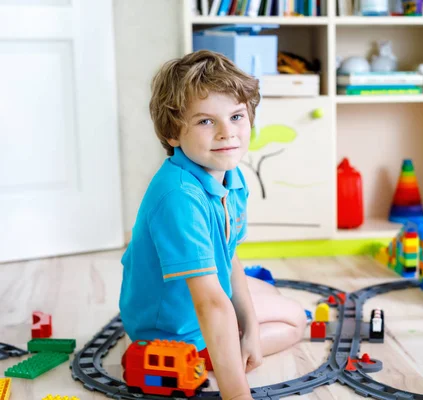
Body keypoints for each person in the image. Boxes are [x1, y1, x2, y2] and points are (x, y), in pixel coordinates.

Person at [118, 50, 307, 400]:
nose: (227, 133)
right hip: (171, 331)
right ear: (173, 133)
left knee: (267, 298)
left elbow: (229, 255)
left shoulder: (229, 176)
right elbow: (210, 302)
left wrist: (249, 328)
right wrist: (238, 394)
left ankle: (231, 342)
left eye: (236, 116)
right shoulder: (178, 197)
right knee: (295, 319)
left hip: (190, 304)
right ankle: (205, 358)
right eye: (206, 122)